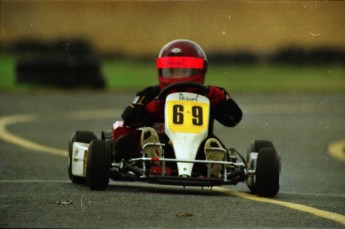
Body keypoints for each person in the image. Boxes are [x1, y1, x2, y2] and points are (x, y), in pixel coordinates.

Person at [120, 39, 243, 177]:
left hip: (200, 151)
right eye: (173, 71)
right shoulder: (151, 93)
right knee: (133, 141)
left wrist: (221, 102)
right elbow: (128, 119)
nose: (178, 76)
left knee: (212, 145)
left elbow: (234, 119)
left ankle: (214, 163)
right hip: (161, 145)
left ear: (200, 70)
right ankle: (155, 157)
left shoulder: (211, 94)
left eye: (183, 71)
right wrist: (148, 111)